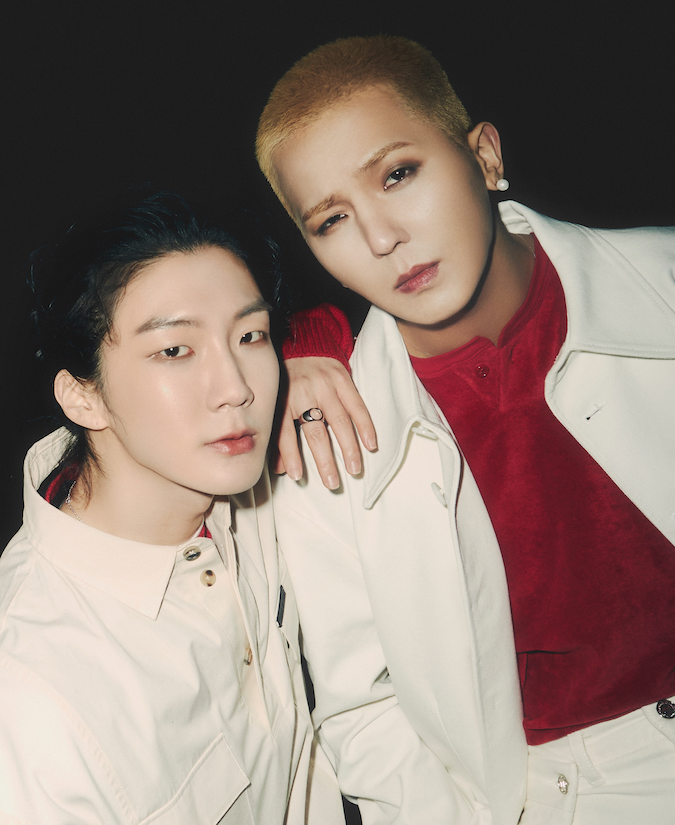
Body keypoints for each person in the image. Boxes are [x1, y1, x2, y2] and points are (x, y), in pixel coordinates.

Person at [257, 36, 675, 824]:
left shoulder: (663, 280)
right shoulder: (324, 444)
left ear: (484, 156)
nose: (381, 237)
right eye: (332, 218)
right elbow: (363, 712)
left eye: (398, 174)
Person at [0, 192, 342, 824]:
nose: (237, 388)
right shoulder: (13, 714)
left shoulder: (239, 491)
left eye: (249, 336)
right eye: (174, 350)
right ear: (81, 397)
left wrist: (313, 349)